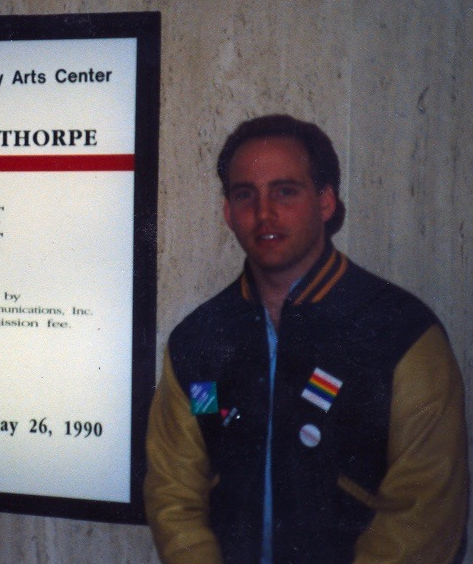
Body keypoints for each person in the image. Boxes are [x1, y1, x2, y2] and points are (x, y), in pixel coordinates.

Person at [144, 114, 468, 564]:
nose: (264, 213)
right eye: (245, 195)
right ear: (227, 213)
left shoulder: (401, 335)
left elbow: (422, 512)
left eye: (285, 191)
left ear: (326, 201)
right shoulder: (199, 345)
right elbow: (173, 495)